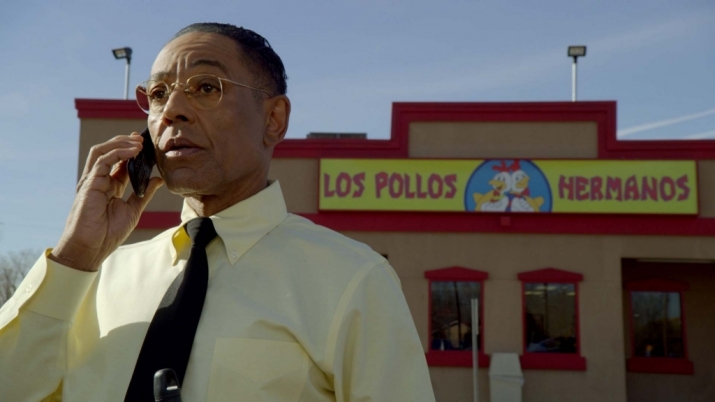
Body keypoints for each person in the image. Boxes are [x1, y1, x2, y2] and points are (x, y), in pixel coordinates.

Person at [0, 23, 435, 401]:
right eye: (158, 94)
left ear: (274, 119)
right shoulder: (94, 279)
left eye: (206, 88)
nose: (171, 111)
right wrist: (75, 254)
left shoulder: (352, 279)